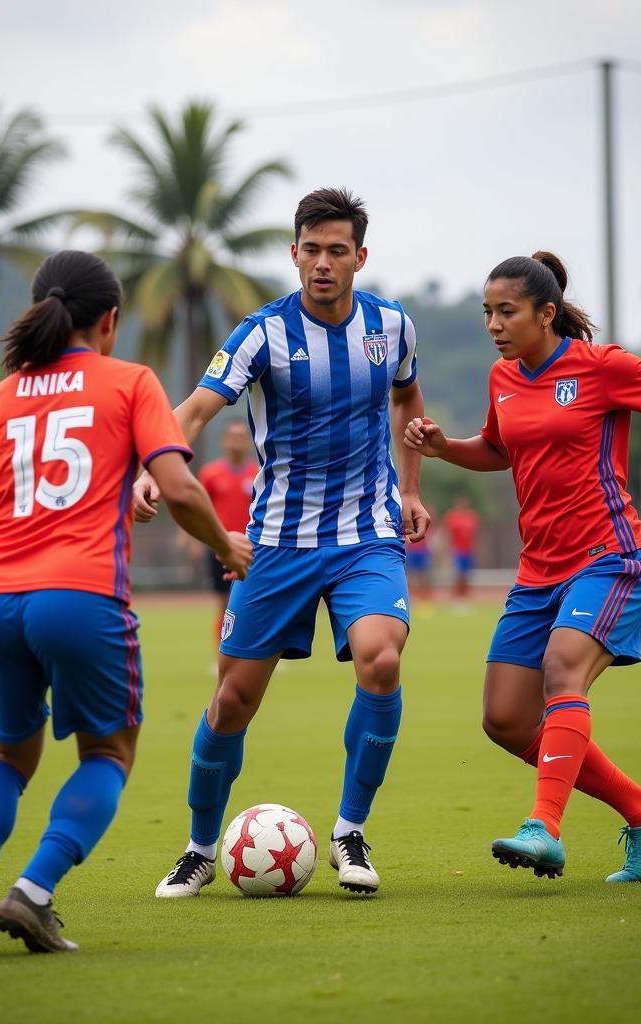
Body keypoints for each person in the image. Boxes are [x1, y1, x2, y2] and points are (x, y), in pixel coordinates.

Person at [0, 250, 251, 957]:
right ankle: (33, 893)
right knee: (108, 753)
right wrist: (226, 546)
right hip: (82, 594)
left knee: (6, 755)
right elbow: (180, 488)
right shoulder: (129, 382)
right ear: (110, 320)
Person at [404, 251, 641, 883]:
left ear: (546, 313)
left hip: (611, 560)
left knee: (563, 671)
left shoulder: (601, 367)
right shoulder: (502, 378)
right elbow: (499, 451)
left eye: (507, 311)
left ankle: (545, 827)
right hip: (538, 572)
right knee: (504, 719)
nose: (494, 324)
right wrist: (445, 447)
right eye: (487, 313)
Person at [134, 188, 429, 897]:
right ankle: (202, 847)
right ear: (293, 253)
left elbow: (407, 401)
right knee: (232, 701)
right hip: (276, 543)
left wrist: (411, 488)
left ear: (360, 257)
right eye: (310, 250)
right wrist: (157, 462)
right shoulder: (261, 333)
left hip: (368, 535)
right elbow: (200, 407)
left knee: (381, 659)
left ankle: (349, 833)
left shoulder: (392, 326)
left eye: (336, 251)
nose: (322, 264)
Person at [196, 421, 258, 642]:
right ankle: (222, 654)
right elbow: (198, 509)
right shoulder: (210, 474)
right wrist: (193, 539)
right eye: (232, 436)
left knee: (254, 603)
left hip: (254, 548)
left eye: (241, 436)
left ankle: (256, 653)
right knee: (224, 603)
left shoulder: (258, 473)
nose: (237, 441)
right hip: (220, 547)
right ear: (224, 441)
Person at [443, 496, 480, 605]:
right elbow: (448, 534)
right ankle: (456, 597)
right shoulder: (452, 516)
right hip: (457, 550)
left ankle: (465, 597)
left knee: (467, 575)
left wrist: (477, 550)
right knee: (458, 574)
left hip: (468, 551)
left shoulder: (472, 516)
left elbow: (475, 535)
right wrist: (447, 550)